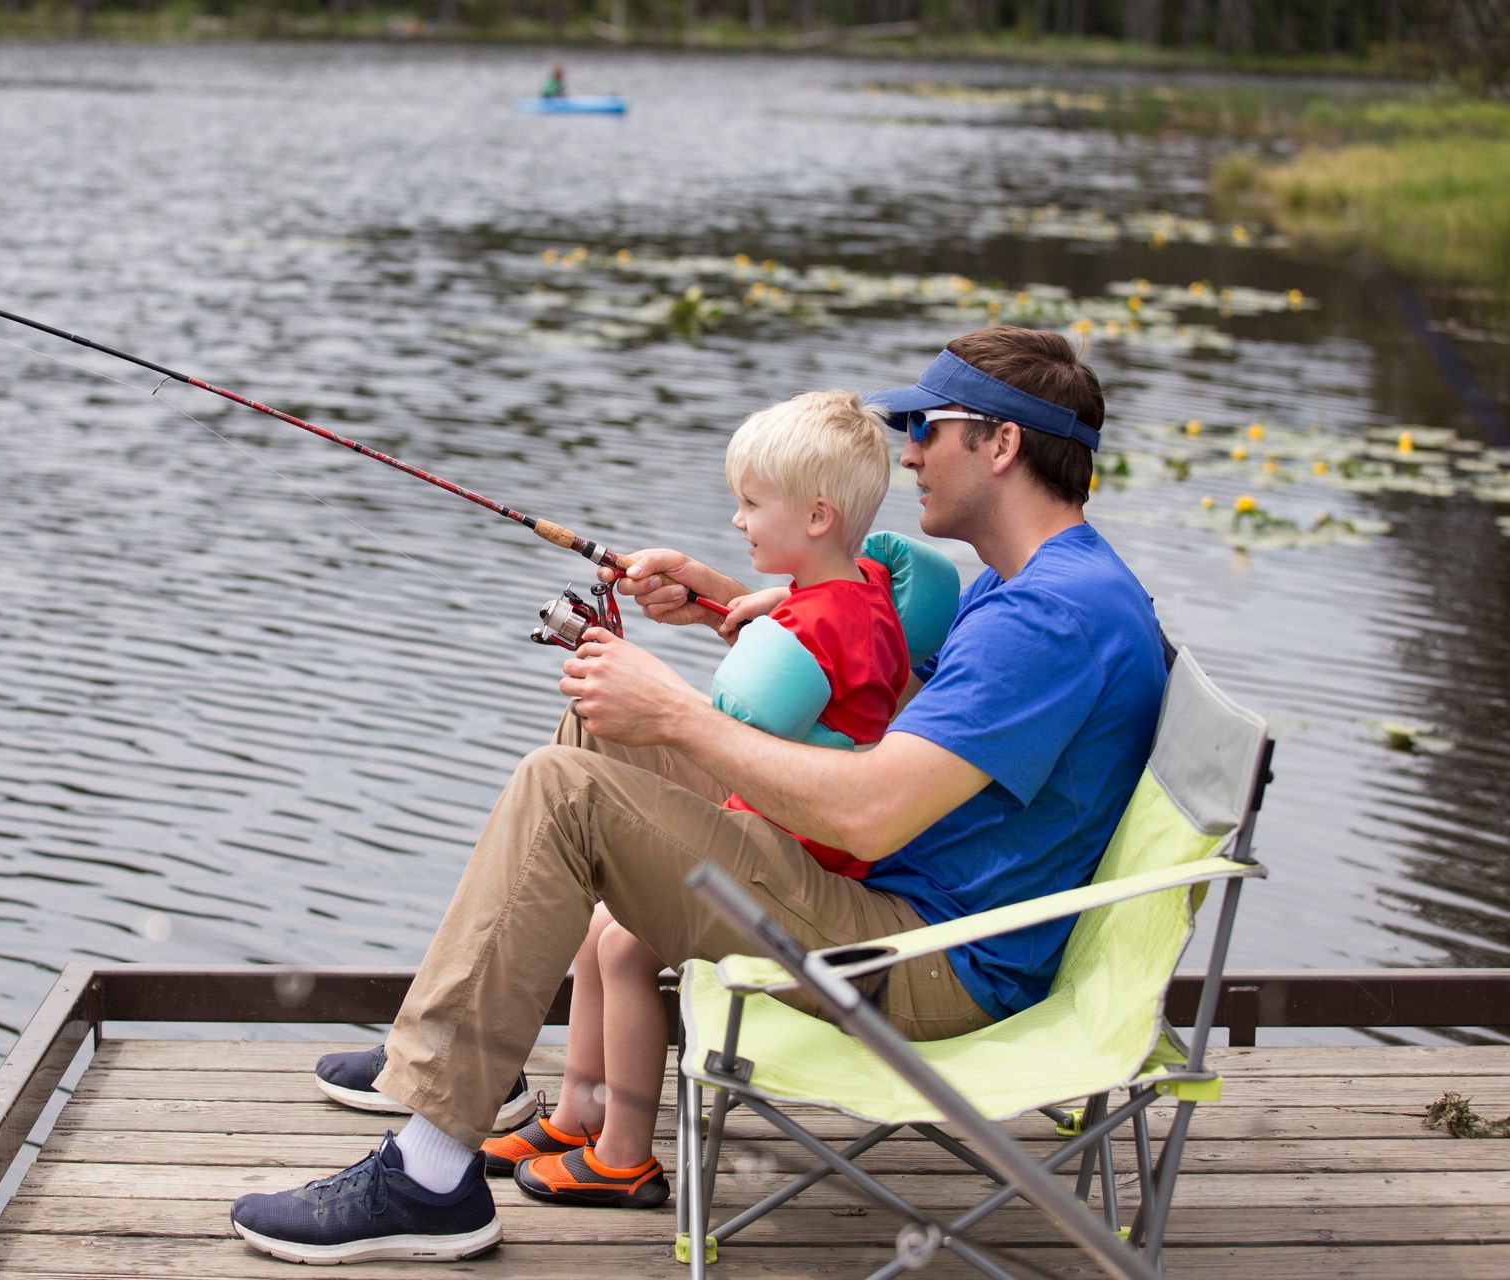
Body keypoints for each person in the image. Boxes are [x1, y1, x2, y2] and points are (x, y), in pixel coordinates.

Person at [229, 325, 1167, 1266]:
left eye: (928, 425)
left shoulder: (1048, 617)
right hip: (898, 890)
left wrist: (679, 713)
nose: (910, 449)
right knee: (601, 732)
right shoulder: (1043, 588)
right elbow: (896, 720)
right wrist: (737, 608)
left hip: (923, 954)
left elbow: (871, 808)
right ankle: (479, 1070)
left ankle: (429, 1174)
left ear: (1000, 444)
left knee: (569, 792)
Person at [486, 390, 916, 1209]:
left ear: (818, 515)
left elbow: (728, 721)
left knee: (621, 942)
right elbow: (816, 641)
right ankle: (579, 1109)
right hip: (797, 829)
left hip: (802, 850)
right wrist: (735, 605)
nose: (737, 521)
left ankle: (623, 1155)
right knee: (603, 908)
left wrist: (646, 679)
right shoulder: (858, 590)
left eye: (752, 504)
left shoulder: (807, 634)